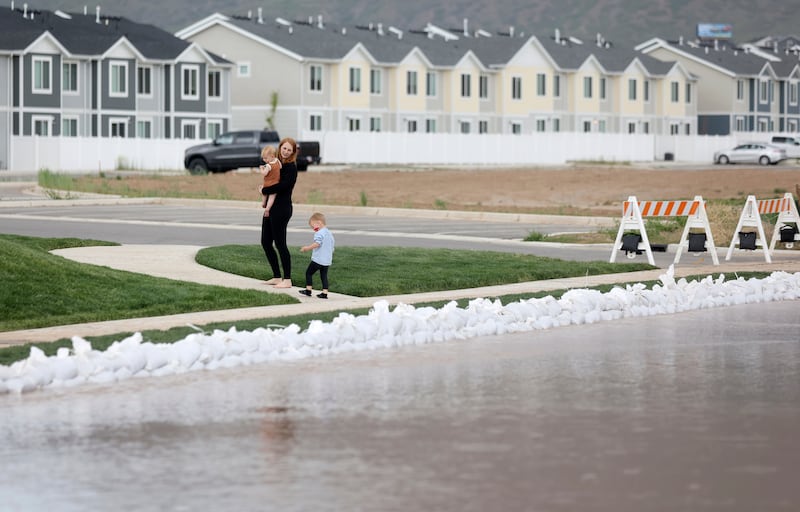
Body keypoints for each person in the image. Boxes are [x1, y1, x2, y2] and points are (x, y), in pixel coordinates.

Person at [261, 137, 299, 289]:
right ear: (280, 147)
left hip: (282, 208)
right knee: (265, 242)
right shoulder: (276, 163)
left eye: (289, 150)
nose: (286, 151)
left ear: (293, 152)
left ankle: (287, 279)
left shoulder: (291, 167)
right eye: (284, 148)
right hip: (271, 208)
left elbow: (283, 186)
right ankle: (277, 276)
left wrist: (264, 190)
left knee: (280, 244)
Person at [299, 212, 335, 299]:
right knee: (323, 276)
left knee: (309, 273)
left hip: (318, 259)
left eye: (313, 226)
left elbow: (317, 244)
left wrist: (307, 248)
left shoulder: (319, 233)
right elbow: (332, 246)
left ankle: (308, 290)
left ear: (319, 223)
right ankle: (324, 293)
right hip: (327, 260)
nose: (313, 229)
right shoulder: (329, 233)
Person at [259, 145, 282, 216]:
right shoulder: (277, 161)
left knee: (264, 192)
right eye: (263, 158)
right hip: (276, 183)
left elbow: (264, 174)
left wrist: (261, 169)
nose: (264, 160)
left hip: (268, 183)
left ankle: (263, 203)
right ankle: (268, 209)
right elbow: (280, 167)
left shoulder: (268, 166)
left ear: (272, 156)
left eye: (265, 158)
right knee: (272, 197)